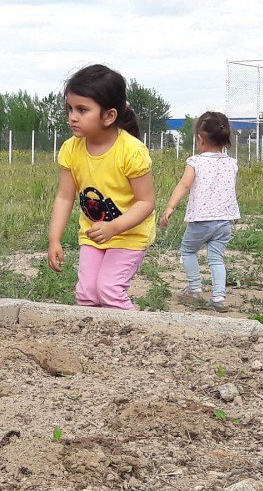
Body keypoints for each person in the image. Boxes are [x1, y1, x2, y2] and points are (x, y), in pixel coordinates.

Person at [47, 64, 156, 310]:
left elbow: (146, 202)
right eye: (70, 108)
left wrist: (114, 227)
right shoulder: (71, 149)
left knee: (109, 291)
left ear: (109, 116)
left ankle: (137, 335)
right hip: (94, 234)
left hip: (129, 235)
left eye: (82, 110)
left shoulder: (132, 151)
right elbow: (64, 197)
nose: (72, 116)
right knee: (86, 295)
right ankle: (91, 344)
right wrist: (54, 239)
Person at [159, 111, 240, 312]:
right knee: (216, 258)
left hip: (201, 221)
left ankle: (194, 289)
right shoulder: (232, 163)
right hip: (224, 223)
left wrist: (170, 207)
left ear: (200, 139)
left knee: (188, 251)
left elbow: (184, 185)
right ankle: (218, 297)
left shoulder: (195, 162)